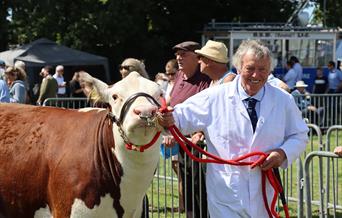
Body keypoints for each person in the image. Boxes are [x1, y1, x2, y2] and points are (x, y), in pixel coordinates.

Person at [158, 40, 308, 217]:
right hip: (225, 195)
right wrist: (165, 117)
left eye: (262, 69)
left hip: (264, 195)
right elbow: (179, 117)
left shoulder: (283, 100)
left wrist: (282, 153)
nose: (256, 75)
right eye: (250, 68)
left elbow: (299, 135)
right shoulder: (214, 97)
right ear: (238, 68)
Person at [164, 41, 211, 217]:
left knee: (201, 187)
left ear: (197, 57)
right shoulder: (178, 77)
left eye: (183, 54)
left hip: (200, 145)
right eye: (177, 54)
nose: (178, 58)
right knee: (188, 185)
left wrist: (199, 132)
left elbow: (208, 110)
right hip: (182, 142)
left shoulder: (205, 79)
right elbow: (169, 104)